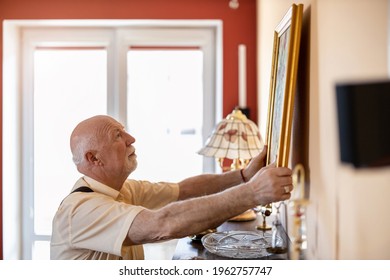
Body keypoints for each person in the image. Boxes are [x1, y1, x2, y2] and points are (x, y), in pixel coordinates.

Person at [50, 115, 293, 260]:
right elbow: (162, 226)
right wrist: (252, 193)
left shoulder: (123, 191)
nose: (130, 139)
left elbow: (183, 190)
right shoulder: (79, 210)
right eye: (117, 136)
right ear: (94, 159)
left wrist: (243, 175)